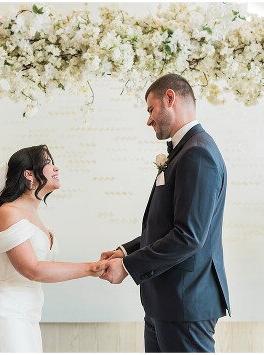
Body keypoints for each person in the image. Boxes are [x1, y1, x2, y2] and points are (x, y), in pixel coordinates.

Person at [99, 73, 231, 352]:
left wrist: (127, 266)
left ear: (170, 98)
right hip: (167, 302)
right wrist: (125, 251)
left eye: (151, 109)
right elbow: (168, 226)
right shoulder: (185, 150)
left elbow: (188, 237)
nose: (148, 120)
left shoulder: (198, 153)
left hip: (185, 304)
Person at [0, 144, 105, 352]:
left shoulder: (32, 214)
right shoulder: (10, 213)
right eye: (49, 163)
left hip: (28, 312)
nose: (56, 168)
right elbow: (31, 269)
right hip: (6, 312)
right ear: (29, 174)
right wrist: (90, 268)